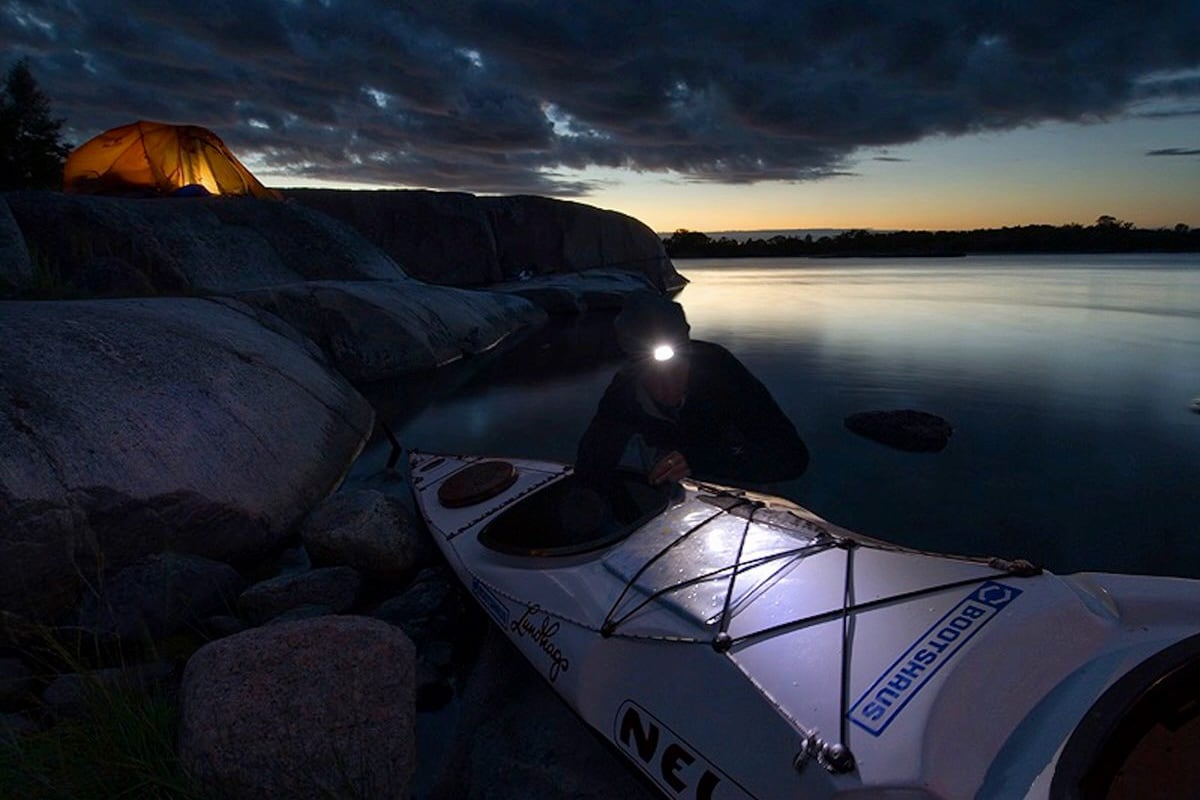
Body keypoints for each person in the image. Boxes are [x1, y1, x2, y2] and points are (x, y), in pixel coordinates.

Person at [574, 291, 809, 500]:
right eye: (648, 366)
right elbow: (594, 457)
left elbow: (791, 457)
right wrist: (589, 498)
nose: (666, 381)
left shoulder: (719, 370)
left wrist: (700, 460)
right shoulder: (624, 388)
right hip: (673, 494)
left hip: (742, 484)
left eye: (675, 362)